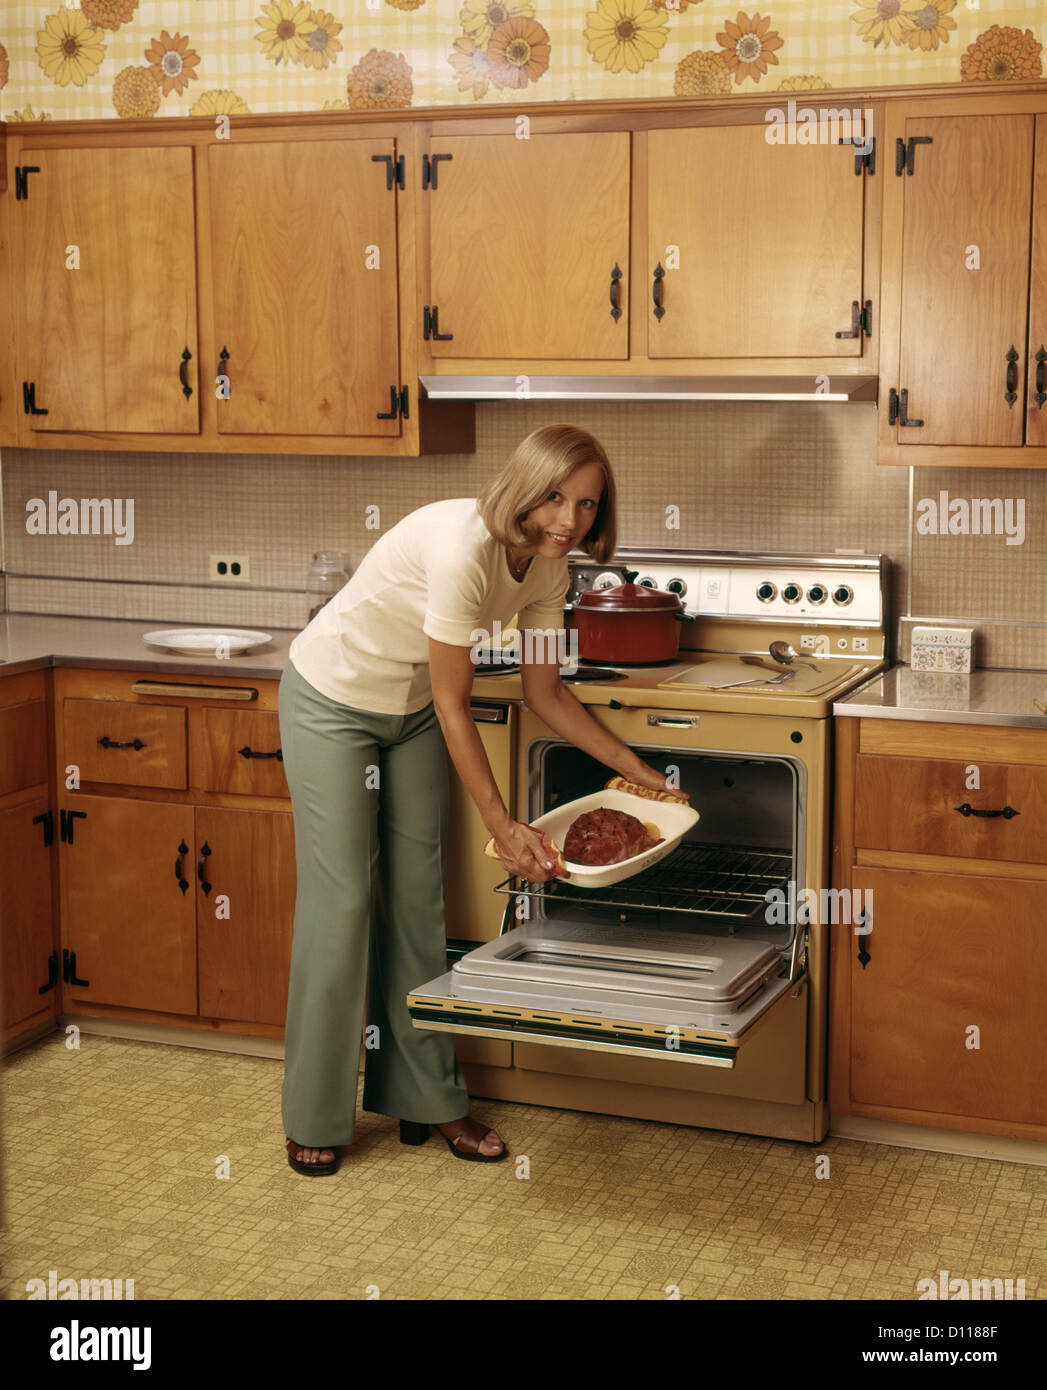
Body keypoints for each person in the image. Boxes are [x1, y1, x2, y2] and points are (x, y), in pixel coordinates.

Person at [277, 423, 689, 1175]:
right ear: (523, 489)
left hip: (406, 717)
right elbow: (453, 702)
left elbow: (546, 693)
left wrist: (641, 771)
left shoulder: (547, 571)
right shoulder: (462, 552)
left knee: (416, 903)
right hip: (331, 701)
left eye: (588, 505)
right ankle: (313, 1110)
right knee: (340, 907)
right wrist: (502, 825)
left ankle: (428, 1100)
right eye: (556, 498)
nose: (569, 520)